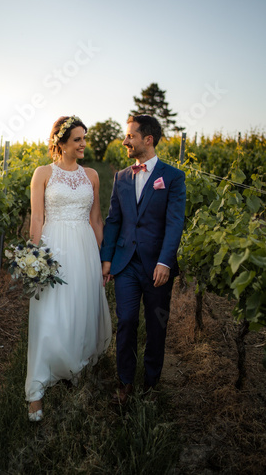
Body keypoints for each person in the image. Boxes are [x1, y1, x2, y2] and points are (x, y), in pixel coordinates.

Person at [25, 115, 112, 421]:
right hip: (54, 246)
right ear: (60, 143)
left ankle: (75, 362)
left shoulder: (91, 176)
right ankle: (36, 387)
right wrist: (33, 259)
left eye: (84, 138)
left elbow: (96, 219)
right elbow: (37, 219)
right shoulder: (43, 173)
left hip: (85, 247)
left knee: (80, 305)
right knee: (49, 310)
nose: (83, 144)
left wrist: (105, 258)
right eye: (77, 139)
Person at [101, 114, 186, 405]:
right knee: (125, 321)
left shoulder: (173, 177)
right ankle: (125, 383)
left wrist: (165, 262)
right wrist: (108, 259)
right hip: (126, 263)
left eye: (130, 136)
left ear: (147, 139)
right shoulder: (121, 177)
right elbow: (114, 220)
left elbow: (175, 223)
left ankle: (151, 383)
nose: (125, 141)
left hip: (156, 267)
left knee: (155, 325)